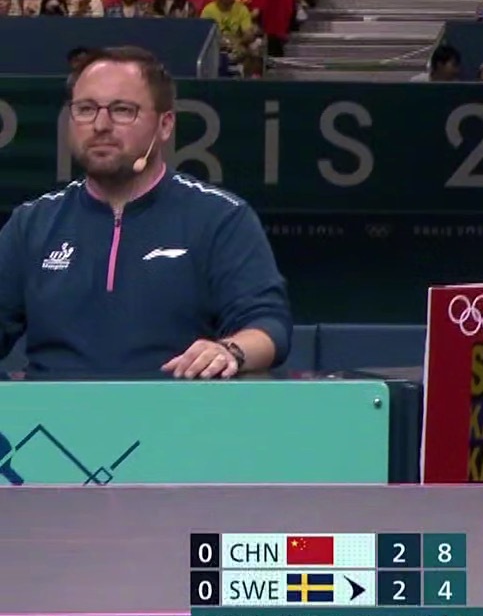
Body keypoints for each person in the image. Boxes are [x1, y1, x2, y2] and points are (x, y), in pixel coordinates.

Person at [0, 47, 292, 377]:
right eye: (85, 109)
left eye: (123, 110)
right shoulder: (32, 224)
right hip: (51, 409)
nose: (100, 125)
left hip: (176, 406)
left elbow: (268, 327)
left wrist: (229, 351)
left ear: (164, 125)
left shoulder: (220, 218)